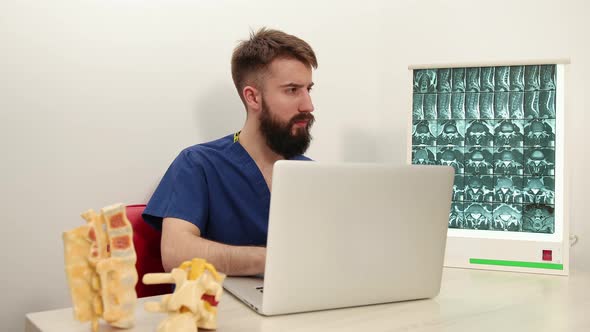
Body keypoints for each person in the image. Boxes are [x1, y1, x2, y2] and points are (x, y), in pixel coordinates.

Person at [142, 28, 318, 276]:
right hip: (220, 310)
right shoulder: (198, 164)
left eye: (308, 89)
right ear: (253, 98)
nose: (308, 105)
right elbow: (175, 252)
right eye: (292, 90)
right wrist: (274, 260)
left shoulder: (311, 172)